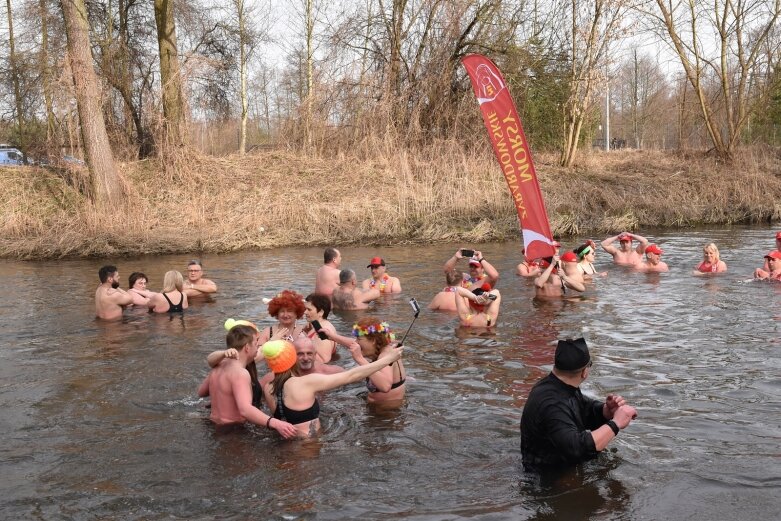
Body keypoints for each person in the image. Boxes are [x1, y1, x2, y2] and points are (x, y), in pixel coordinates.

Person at [520, 337, 638, 471]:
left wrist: (606, 410)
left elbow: (583, 408)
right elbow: (577, 449)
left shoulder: (555, 387)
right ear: (584, 372)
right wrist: (616, 424)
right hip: (548, 480)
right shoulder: (552, 404)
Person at [262, 338, 404, 437]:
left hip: (285, 441)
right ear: (292, 358)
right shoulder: (304, 383)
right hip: (307, 445)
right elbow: (351, 376)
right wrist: (388, 359)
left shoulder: (269, 386)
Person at [197, 323, 297, 438]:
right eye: (256, 343)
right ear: (247, 348)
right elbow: (245, 410)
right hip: (233, 431)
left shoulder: (219, 364)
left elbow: (201, 392)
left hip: (214, 426)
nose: (257, 347)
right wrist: (276, 423)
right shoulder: (240, 373)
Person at [348, 317, 407, 404]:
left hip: (384, 413)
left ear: (373, 340)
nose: (355, 343)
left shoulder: (385, 356)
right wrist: (332, 336)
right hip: (380, 408)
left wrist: (360, 359)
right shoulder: (386, 348)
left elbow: (385, 386)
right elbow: (351, 343)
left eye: (359, 339)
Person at [303, 293, 338, 363]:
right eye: (305, 309)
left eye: (309, 310)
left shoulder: (322, 331)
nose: (305, 312)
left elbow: (324, 360)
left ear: (321, 312)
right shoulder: (319, 325)